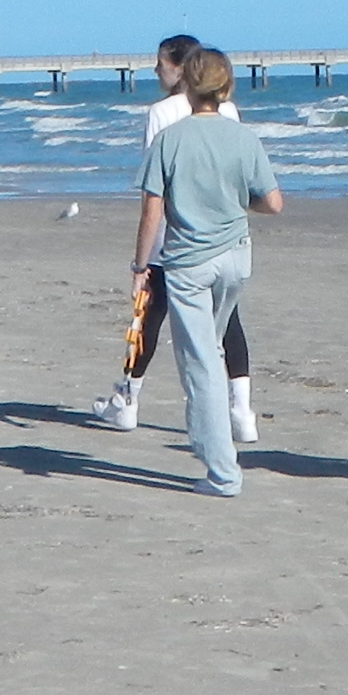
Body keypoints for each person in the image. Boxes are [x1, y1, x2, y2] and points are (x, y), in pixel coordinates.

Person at [85, 34, 255, 443]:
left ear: (180, 68)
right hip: (221, 232)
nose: (156, 70)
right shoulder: (228, 111)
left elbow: (154, 188)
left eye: (160, 64)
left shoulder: (161, 113)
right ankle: (241, 409)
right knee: (226, 319)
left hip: (173, 236)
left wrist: (140, 261)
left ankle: (128, 399)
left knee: (148, 316)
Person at [133, 45, 282, 496]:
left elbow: (151, 212)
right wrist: (237, 203)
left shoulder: (169, 140)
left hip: (189, 263)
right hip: (235, 259)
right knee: (210, 351)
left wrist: (140, 265)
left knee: (201, 365)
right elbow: (273, 202)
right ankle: (210, 441)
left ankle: (223, 473)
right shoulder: (244, 138)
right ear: (226, 87)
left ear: (187, 86)